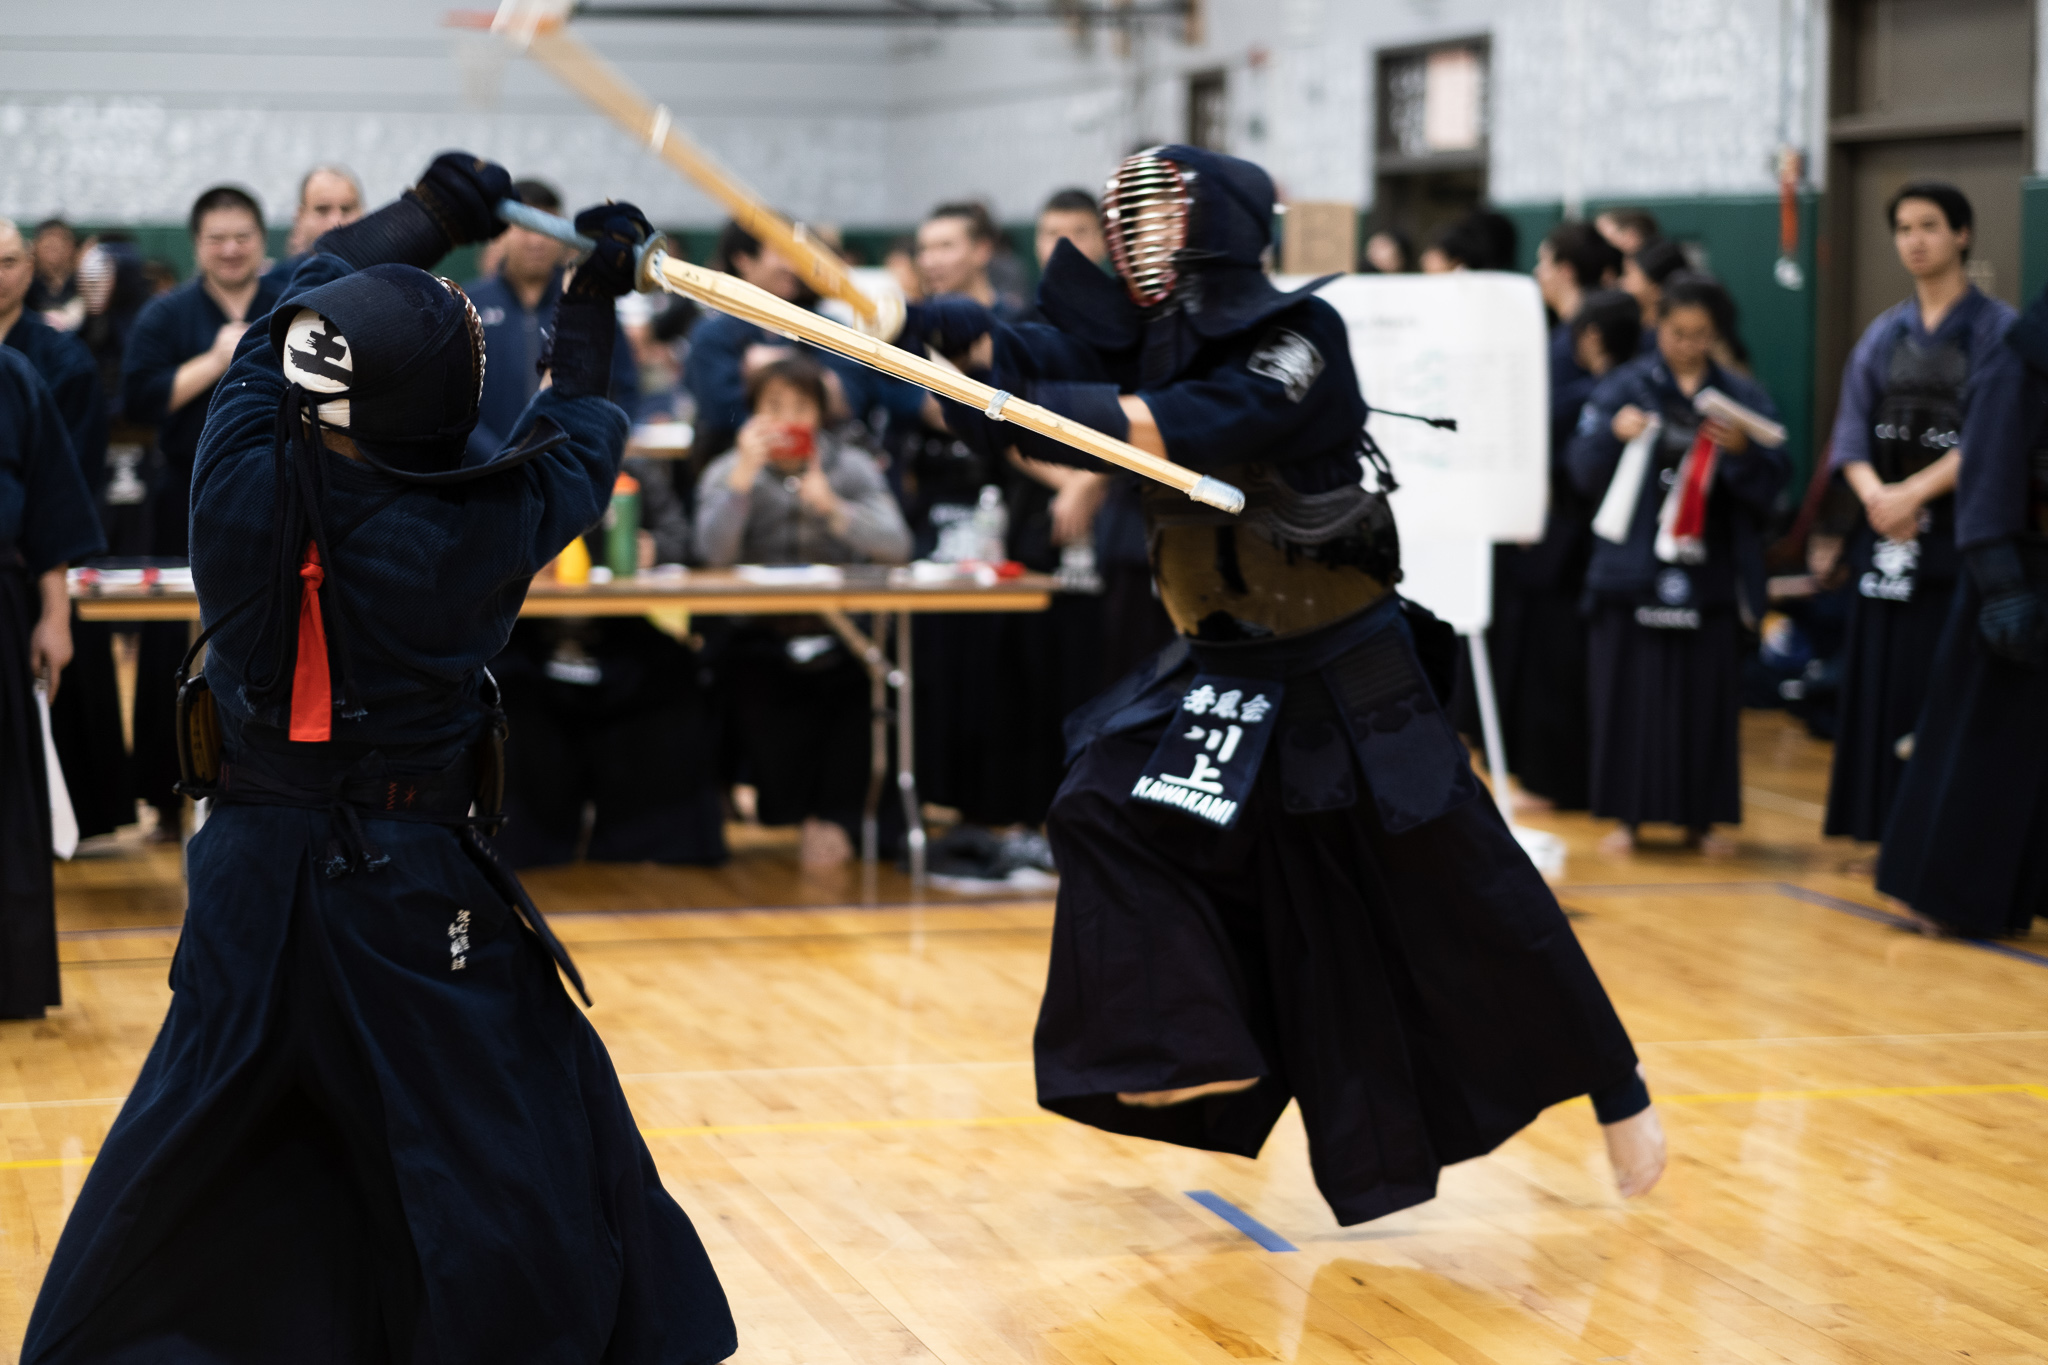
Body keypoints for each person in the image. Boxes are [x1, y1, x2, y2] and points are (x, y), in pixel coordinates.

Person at [21, 153, 735, 1362]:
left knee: (209, 1120)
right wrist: (591, 299)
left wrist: (434, 215)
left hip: (245, 871)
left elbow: (309, 286)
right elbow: (575, 439)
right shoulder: (472, 531)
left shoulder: (235, 459)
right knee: (490, 1138)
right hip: (402, 887)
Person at [892, 144, 1666, 1224]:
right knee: (1099, 802)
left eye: (1161, 219)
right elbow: (1036, 364)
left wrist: (1022, 394)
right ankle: (1188, 1043)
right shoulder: (1145, 331)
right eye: (1133, 222)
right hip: (1220, 666)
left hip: (1344, 663)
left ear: (1218, 226)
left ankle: (1616, 1086)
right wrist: (961, 350)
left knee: (1463, 888)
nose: (1139, 240)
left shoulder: (1302, 339)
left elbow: (1190, 422)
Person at [1567, 274, 1789, 855]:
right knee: (1627, 695)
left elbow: (1775, 482)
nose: (1687, 344)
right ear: (1657, 328)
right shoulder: (1623, 387)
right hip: (1630, 566)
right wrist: (1613, 438)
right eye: (1676, 332)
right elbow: (1580, 470)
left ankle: (1703, 819)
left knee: (1705, 698)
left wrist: (1741, 454)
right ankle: (1626, 817)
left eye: (1700, 335)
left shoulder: (1742, 395)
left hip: (1709, 568)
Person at [1823, 183, 2010, 845]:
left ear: (1962, 233)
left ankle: (1937, 832)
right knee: (1881, 681)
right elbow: (1849, 438)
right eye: (1903, 228)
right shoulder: (1883, 333)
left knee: (1943, 681)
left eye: (1929, 226)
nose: (1915, 240)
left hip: (1960, 539)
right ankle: (1879, 825)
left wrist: (1913, 494)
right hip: (1886, 535)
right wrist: (1879, 495)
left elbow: (1992, 436)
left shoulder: (1998, 330)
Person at [1872, 267, 2044, 938]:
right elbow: (1990, 472)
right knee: (1980, 740)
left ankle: (2006, 896)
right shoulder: (2018, 355)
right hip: (2007, 566)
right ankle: (1937, 894)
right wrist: (2001, 581)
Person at [695, 356, 912, 870]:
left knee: (874, 686)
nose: (787, 420)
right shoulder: (729, 468)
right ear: (751, 416)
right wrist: (742, 482)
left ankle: (841, 820)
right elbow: (711, 552)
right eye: (773, 407)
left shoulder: (849, 466)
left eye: (799, 407)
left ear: (819, 415)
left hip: (841, 632)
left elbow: (897, 544)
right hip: (755, 632)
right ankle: (764, 809)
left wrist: (833, 507)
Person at [122, 184, 283, 841]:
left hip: (280, 497)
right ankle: (166, 795)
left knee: (266, 634)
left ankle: (264, 776)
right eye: (217, 238)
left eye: (242, 235)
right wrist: (214, 361)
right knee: (171, 645)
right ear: (197, 245)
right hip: (184, 500)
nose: (231, 248)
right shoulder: (167, 314)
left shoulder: (289, 303)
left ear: (260, 238)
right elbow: (139, 399)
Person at [0, 220, 132, 843]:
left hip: (32, 558)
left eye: (7, 261)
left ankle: (64, 821)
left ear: (28, 268)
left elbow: (66, 472)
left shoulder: (58, 360)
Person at [0, 347, 104, 1021]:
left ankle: (8, 976)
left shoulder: (12, 375)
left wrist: (56, 615)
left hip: (1, 600)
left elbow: (49, 504)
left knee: (6, 796)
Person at [465, 179, 636, 462]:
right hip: (484, 478)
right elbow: (453, 405)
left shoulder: (588, 306)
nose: (536, 240)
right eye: (525, 226)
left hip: (571, 475)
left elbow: (624, 389)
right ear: (501, 232)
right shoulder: (469, 305)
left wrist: (594, 454)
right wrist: (498, 460)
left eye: (548, 227)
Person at [917, 201, 1023, 314]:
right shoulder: (915, 324)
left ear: (982, 250)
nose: (928, 262)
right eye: (923, 249)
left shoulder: (1015, 321)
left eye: (946, 246)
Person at [279, 163, 365, 261]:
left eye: (346, 209)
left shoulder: (382, 274)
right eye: (322, 210)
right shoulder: (280, 276)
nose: (336, 222)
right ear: (301, 216)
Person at [27, 219, 80, 321]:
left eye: (61, 239)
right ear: (35, 247)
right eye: (48, 245)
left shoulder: (83, 286)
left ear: (71, 247)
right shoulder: (26, 286)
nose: (53, 242)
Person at [1595, 207, 1661, 259]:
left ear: (1632, 232)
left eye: (1614, 235)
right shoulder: (1627, 259)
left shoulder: (1655, 256)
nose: (1612, 243)